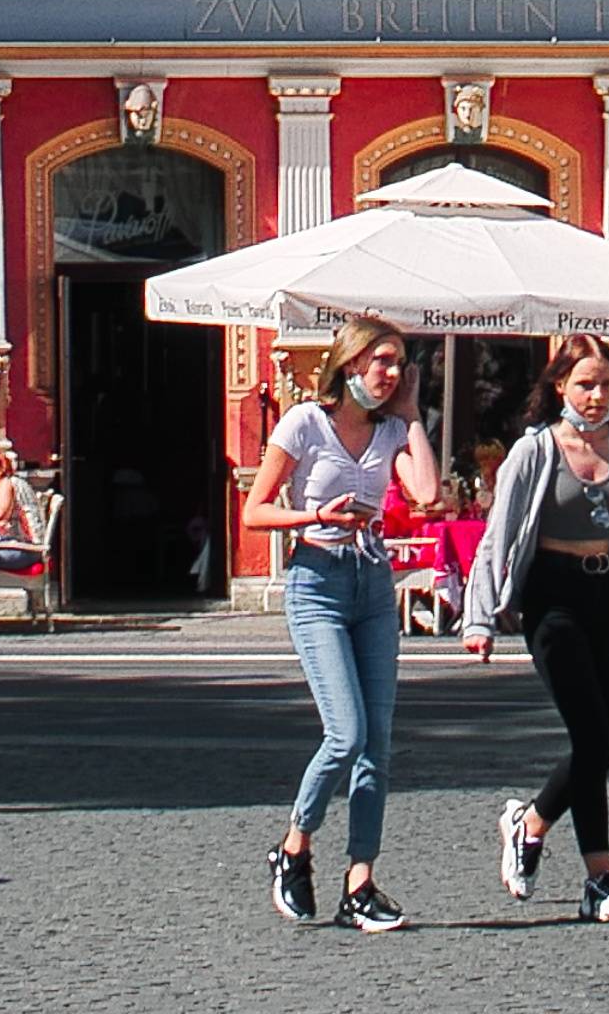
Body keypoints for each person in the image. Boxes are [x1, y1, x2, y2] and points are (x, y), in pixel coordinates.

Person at [459, 335, 609, 925]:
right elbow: (498, 534)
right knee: (590, 735)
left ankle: (544, 836)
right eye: (585, 384)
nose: (596, 395)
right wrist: (479, 617)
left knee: (601, 742)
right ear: (560, 385)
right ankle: (597, 870)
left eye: (606, 384)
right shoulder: (534, 450)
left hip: (607, 596)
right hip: (551, 597)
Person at [243, 314, 443, 931]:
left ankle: (361, 882)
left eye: (399, 364)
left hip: (372, 586)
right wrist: (313, 517)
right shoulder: (305, 423)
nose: (390, 374)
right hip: (317, 584)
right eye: (381, 361)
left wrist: (412, 415)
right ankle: (295, 845)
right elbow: (254, 511)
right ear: (351, 362)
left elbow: (428, 494)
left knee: (376, 743)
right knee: (346, 733)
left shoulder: (389, 433)